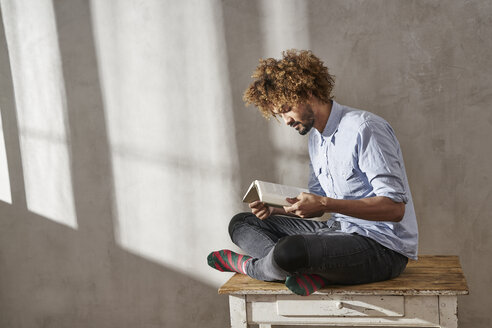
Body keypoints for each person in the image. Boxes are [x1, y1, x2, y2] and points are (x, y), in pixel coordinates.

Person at [207, 49, 418, 296]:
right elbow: (317, 206)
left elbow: (394, 208)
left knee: (290, 251)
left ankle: (251, 267)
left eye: (286, 109)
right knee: (242, 223)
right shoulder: (316, 140)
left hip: (381, 249)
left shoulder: (364, 128)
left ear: (306, 92)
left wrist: (326, 203)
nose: (285, 120)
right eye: (279, 114)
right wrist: (278, 209)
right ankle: (310, 272)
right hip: (337, 231)